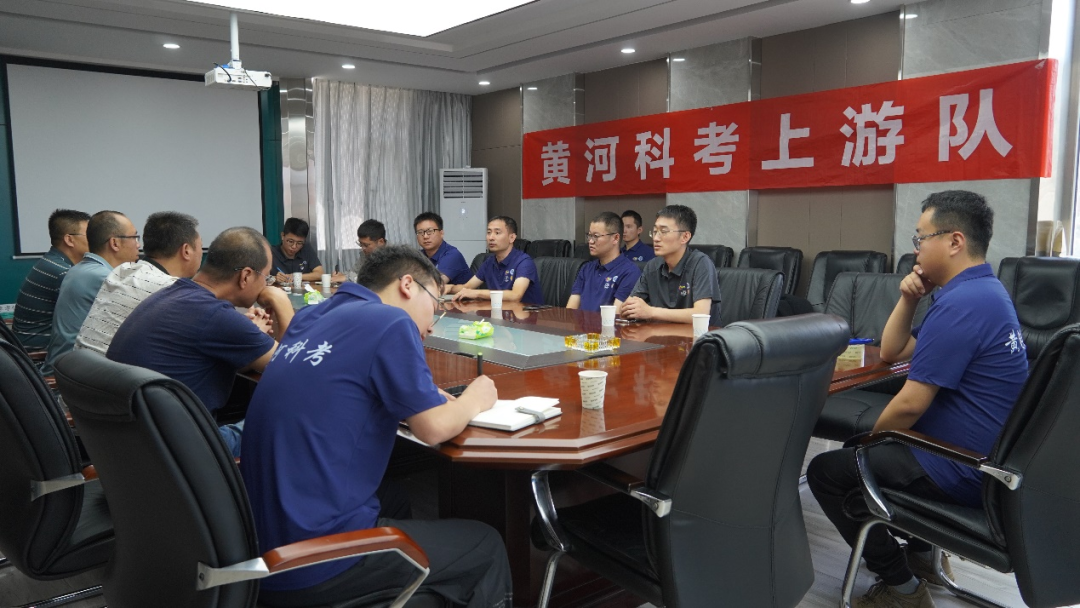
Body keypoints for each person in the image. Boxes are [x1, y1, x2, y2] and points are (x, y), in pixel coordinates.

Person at [240, 245, 512, 608]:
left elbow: (340, 384)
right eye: (434, 304)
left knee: (395, 499)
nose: (432, 324)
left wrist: (416, 395)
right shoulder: (391, 321)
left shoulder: (312, 315)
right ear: (407, 285)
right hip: (312, 562)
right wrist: (474, 398)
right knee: (485, 544)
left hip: (259, 545)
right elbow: (432, 428)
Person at [807, 191, 1029, 608]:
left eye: (921, 238)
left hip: (961, 466)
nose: (916, 249)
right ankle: (924, 556)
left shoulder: (963, 304)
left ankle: (901, 586)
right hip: (983, 458)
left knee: (828, 472)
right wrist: (909, 298)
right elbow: (893, 352)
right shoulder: (980, 291)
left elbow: (910, 405)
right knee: (865, 454)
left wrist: (866, 447)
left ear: (955, 241)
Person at [107, 227, 294, 457]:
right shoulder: (215, 316)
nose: (266, 285)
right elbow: (294, 369)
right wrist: (281, 301)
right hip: (187, 454)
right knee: (289, 419)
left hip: (136, 447)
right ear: (245, 276)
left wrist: (248, 338)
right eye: (266, 277)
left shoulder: (172, 295)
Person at [75, 211, 202, 355]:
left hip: (80, 365)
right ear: (186, 250)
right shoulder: (173, 289)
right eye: (200, 245)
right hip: (111, 368)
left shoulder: (121, 271)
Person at [43, 211, 141, 373]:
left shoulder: (81, 268)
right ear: (115, 243)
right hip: (72, 376)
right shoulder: (104, 277)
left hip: (67, 367)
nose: (138, 245)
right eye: (135, 237)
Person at [622, 205, 721, 325]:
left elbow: (701, 314)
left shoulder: (701, 263)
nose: (656, 238)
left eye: (663, 232)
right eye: (655, 232)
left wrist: (651, 312)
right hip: (659, 334)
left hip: (697, 335)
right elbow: (629, 307)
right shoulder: (652, 266)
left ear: (685, 237)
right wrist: (630, 309)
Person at [12, 209, 91, 350]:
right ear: (69, 240)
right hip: (39, 354)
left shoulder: (52, 261)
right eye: (89, 235)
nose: (95, 240)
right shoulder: (62, 272)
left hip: (32, 347)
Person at [448, 216, 543, 305]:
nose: (491, 238)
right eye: (489, 233)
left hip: (527, 314)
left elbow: (515, 295)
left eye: (497, 233)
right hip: (500, 312)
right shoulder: (489, 262)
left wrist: (477, 293)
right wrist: (449, 288)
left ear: (512, 238)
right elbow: (467, 287)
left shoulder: (524, 262)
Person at [566, 211, 641, 313]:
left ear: (615, 238)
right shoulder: (586, 268)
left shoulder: (630, 272)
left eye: (596, 236)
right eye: (589, 235)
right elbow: (570, 311)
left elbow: (616, 316)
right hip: (580, 323)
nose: (590, 241)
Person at [272, 217, 344, 284]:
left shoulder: (306, 249)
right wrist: (274, 278)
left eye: (299, 243)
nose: (294, 246)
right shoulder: (271, 253)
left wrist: (296, 276)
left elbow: (320, 274)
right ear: (282, 236)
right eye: (290, 241)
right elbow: (265, 278)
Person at [414, 211, 472, 285]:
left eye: (430, 231)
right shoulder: (419, 256)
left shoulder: (452, 255)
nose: (425, 236)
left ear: (441, 233)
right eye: (420, 232)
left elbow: (436, 285)